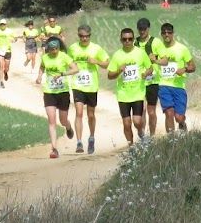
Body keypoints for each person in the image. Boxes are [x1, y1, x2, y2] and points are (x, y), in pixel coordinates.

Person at [107, 27, 154, 146]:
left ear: (133, 39)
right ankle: (131, 147)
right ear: (121, 40)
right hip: (123, 94)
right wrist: (118, 71)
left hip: (138, 92)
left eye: (130, 39)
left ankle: (141, 133)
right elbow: (110, 75)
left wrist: (146, 73)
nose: (127, 41)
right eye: (124, 39)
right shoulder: (117, 55)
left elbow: (150, 68)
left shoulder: (140, 53)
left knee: (137, 121)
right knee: (126, 123)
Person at [67, 24, 109, 154]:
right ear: (78, 36)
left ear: (90, 36)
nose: (84, 38)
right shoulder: (73, 48)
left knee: (90, 115)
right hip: (77, 85)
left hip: (91, 85)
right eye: (81, 36)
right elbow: (68, 63)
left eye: (86, 36)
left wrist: (96, 62)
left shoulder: (96, 48)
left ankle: (91, 137)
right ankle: (79, 142)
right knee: (79, 113)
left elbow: (106, 63)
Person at [35, 37, 78, 158]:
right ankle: (54, 149)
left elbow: (75, 69)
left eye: (56, 49)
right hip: (49, 92)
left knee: (63, 120)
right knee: (52, 121)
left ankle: (68, 127)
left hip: (63, 92)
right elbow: (42, 67)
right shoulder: (45, 57)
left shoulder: (64, 57)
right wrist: (39, 77)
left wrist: (63, 74)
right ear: (48, 49)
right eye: (52, 49)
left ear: (59, 48)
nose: (54, 51)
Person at [156, 22, 195, 133]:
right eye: (164, 33)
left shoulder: (182, 48)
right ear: (161, 34)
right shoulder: (157, 49)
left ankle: (182, 124)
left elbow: (193, 66)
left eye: (169, 32)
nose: (166, 35)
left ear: (173, 33)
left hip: (179, 86)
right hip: (163, 85)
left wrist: (185, 69)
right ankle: (171, 139)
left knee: (179, 117)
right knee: (169, 113)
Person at [135, 17, 164, 137]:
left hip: (153, 81)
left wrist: (155, 60)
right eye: (140, 29)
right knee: (141, 111)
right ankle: (142, 136)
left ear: (148, 28)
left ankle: (152, 137)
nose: (142, 31)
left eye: (144, 29)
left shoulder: (156, 42)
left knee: (151, 112)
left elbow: (165, 61)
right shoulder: (134, 43)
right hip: (138, 82)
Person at [0, 18, 15, 88]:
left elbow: (14, 38)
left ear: (6, 25)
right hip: (0, 50)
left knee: (6, 68)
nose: (2, 25)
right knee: (1, 66)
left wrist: (14, 40)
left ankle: (5, 72)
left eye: (4, 24)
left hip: (8, 50)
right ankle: (1, 81)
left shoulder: (10, 31)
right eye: (1, 24)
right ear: (0, 25)